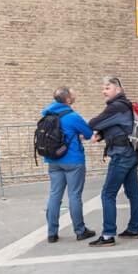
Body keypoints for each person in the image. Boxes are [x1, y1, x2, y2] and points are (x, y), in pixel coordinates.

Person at [88, 76, 138, 247]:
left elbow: (95, 122)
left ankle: (108, 235)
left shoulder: (116, 106)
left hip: (121, 155)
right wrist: (101, 135)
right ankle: (133, 228)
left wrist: (88, 131)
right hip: (131, 153)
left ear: (118, 89)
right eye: (103, 88)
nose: (103, 91)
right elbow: (117, 127)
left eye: (107, 88)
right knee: (133, 192)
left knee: (108, 194)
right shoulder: (125, 105)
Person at [42, 87, 95, 243]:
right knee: (74, 195)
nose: (75, 95)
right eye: (73, 94)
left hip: (53, 161)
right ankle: (80, 231)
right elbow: (89, 133)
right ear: (68, 100)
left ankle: (52, 233)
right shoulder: (72, 116)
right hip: (73, 160)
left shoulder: (47, 115)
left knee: (54, 195)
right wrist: (78, 135)